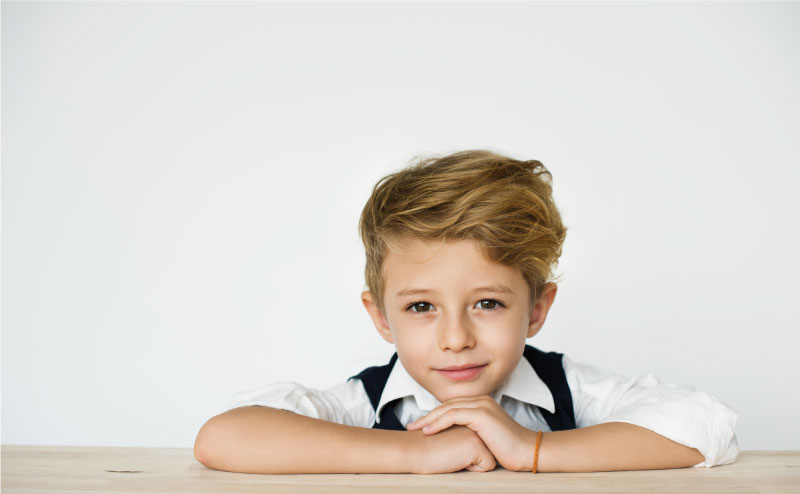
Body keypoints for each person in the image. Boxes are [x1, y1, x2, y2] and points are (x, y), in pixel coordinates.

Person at [193, 149, 740, 474]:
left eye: (487, 303)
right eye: (422, 307)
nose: (455, 338)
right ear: (382, 317)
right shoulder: (362, 405)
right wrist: (414, 456)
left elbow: (704, 424)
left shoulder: (570, 391)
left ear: (536, 309)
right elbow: (224, 437)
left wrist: (532, 449)